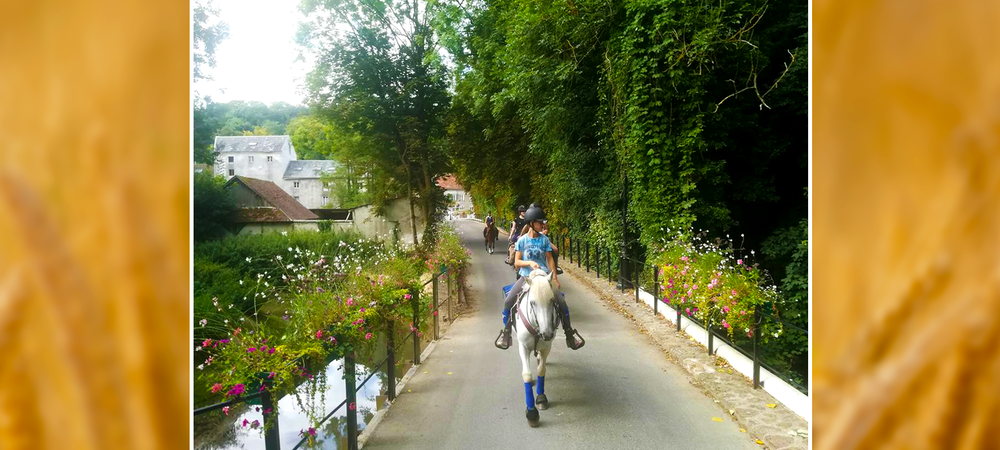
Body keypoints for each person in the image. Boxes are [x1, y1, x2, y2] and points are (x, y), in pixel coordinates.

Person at [495, 205, 585, 350]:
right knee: (508, 302)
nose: (542, 225)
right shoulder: (522, 241)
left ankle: (569, 334)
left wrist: (554, 277)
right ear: (531, 223)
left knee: (561, 303)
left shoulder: (544, 240)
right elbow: (517, 263)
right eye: (539, 222)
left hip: (543, 278)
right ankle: (506, 334)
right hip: (526, 278)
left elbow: (550, 260)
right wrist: (529, 262)